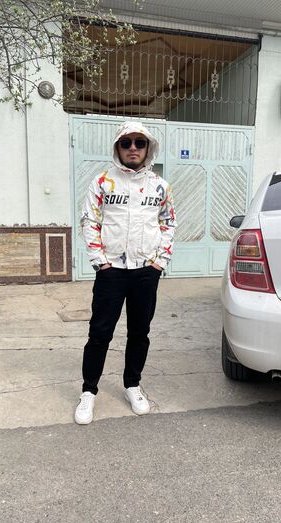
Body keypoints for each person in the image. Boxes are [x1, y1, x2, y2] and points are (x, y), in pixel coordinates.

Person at [75, 121, 176, 425]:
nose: (133, 148)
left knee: (139, 333)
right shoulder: (102, 182)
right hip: (112, 272)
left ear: (148, 148)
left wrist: (159, 262)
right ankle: (88, 391)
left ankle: (133, 385)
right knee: (99, 333)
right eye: (126, 142)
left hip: (146, 272)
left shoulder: (160, 186)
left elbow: (168, 223)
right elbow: (89, 221)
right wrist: (100, 262)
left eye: (139, 143)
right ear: (117, 147)